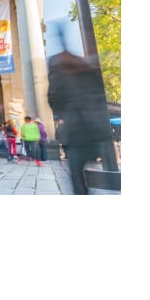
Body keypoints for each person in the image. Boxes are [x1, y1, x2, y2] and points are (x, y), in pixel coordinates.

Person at [47, 47, 117, 194]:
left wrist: (63, 112)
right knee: (90, 174)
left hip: (76, 132)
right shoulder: (89, 70)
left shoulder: (58, 72)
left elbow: (53, 100)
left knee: (77, 177)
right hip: (96, 132)